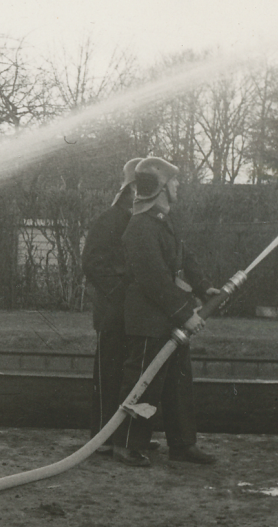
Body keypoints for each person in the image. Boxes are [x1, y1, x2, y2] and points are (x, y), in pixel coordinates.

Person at [112, 157, 219, 467]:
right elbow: (153, 278)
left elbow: (183, 256)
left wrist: (202, 289)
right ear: (158, 187)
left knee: (178, 386)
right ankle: (127, 445)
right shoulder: (140, 227)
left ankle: (183, 445)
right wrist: (186, 311)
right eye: (172, 181)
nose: (177, 186)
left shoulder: (162, 222)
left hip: (167, 320)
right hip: (148, 322)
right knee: (143, 384)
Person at [82, 158, 155, 455]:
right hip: (113, 314)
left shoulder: (139, 222)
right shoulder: (109, 220)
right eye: (136, 187)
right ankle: (101, 438)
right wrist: (119, 294)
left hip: (135, 315)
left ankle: (128, 436)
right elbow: (91, 263)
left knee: (133, 378)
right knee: (108, 377)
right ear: (128, 188)